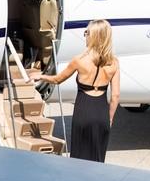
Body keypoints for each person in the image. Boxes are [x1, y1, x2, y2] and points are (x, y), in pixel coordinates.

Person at [31, 19, 120, 162]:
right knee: (98, 158)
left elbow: (57, 80)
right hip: (101, 113)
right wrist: (109, 118)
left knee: (80, 157)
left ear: (94, 36)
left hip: (83, 112)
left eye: (87, 33)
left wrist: (40, 76)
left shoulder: (79, 60)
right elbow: (115, 96)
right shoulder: (114, 62)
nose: (85, 36)